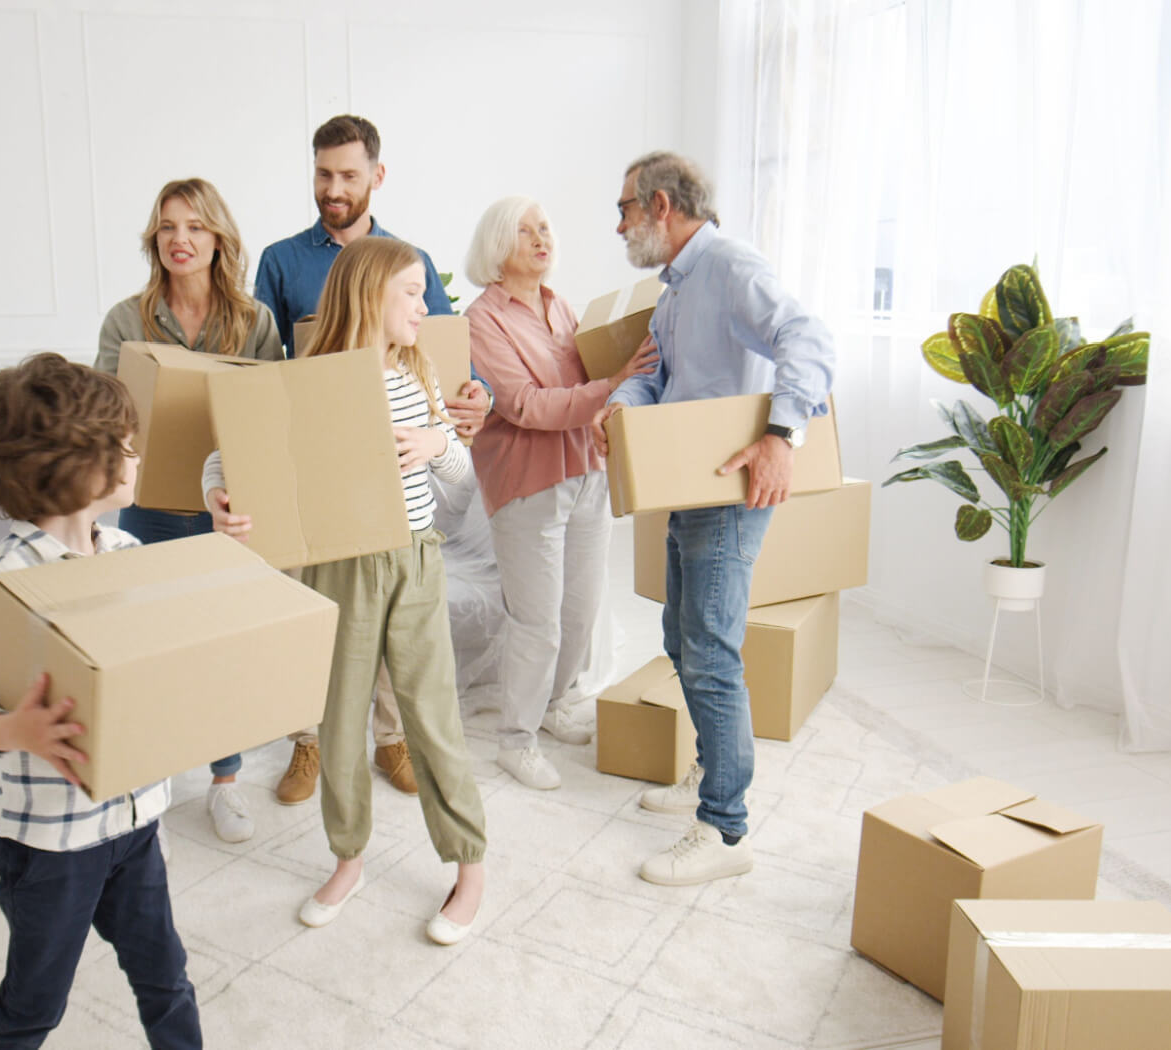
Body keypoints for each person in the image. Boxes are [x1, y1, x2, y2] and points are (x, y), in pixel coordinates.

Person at [202, 237, 487, 945]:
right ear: (370, 296)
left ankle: (469, 866)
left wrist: (434, 444)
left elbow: (462, 473)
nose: (426, 306)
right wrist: (217, 496)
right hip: (339, 566)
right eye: (413, 293)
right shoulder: (310, 376)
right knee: (338, 716)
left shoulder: (419, 374)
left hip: (416, 563)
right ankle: (348, 857)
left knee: (431, 718)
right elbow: (226, 450)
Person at [0, 353, 200, 1049]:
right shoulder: (1, 587)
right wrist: (13, 730)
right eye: (121, 444)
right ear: (76, 466)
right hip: (50, 844)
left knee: (166, 977)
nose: (135, 454)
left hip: (135, 821)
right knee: (33, 1005)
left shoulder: (128, 553)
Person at [593, 152, 835, 886]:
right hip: (687, 486)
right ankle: (708, 775)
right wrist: (622, 408)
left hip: (729, 491)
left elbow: (809, 339)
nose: (620, 223)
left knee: (709, 651)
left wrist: (781, 436)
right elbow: (659, 377)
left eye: (625, 208)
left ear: (661, 205)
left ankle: (726, 832)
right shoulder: (673, 292)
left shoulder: (730, 266)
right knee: (680, 635)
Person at [252, 113, 491, 805]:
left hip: (393, 480)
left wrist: (468, 403)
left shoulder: (404, 261)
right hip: (321, 468)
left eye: (348, 176)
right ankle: (310, 744)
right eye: (323, 174)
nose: (333, 188)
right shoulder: (281, 260)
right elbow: (265, 373)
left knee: (388, 616)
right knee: (315, 611)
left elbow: (446, 356)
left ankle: (390, 740)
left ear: (376, 177)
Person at [94, 177, 282, 845]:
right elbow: (106, 417)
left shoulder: (255, 322)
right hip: (149, 507)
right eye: (168, 227)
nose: (180, 239)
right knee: (152, 643)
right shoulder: (126, 320)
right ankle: (147, 785)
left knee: (221, 640)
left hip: (224, 505)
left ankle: (225, 782)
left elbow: (267, 417)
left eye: (195, 227)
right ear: (155, 239)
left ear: (218, 238)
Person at [462, 197, 658, 789]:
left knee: (581, 609)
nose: (540, 238)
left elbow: (580, 388)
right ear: (498, 248)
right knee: (537, 621)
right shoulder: (481, 320)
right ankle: (515, 739)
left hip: (586, 472)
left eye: (544, 228)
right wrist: (613, 385)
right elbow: (524, 406)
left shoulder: (561, 307)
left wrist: (616, 385)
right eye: (524, 232)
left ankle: (554, 705)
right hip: (526, 484)